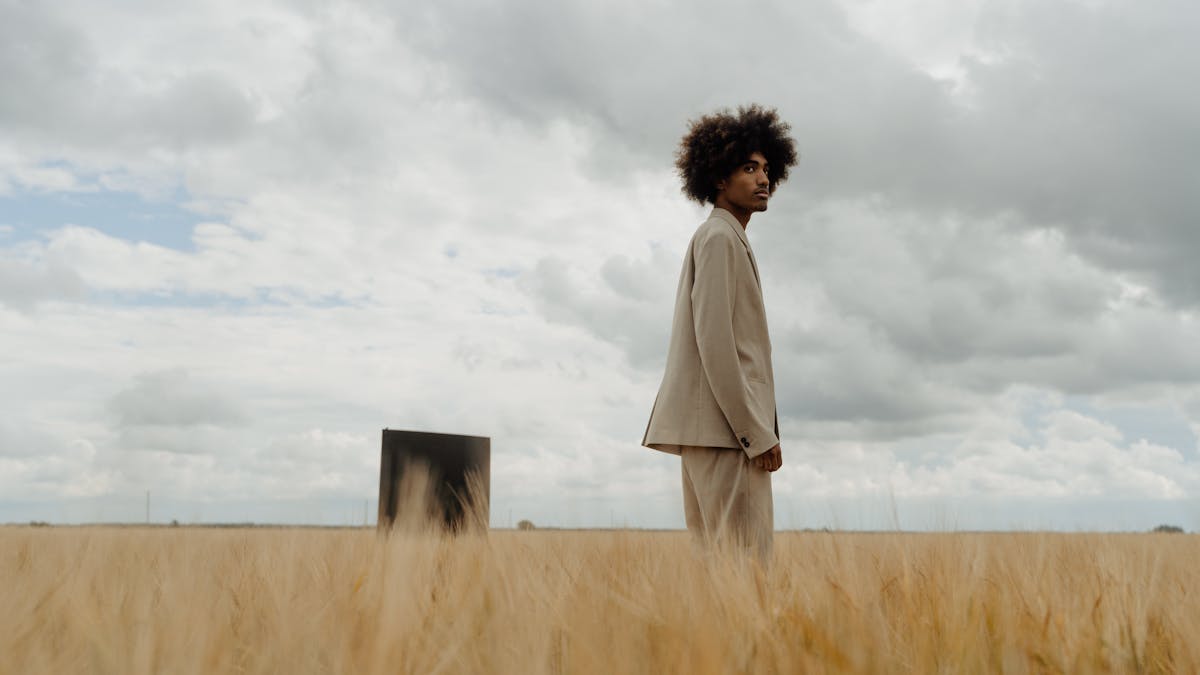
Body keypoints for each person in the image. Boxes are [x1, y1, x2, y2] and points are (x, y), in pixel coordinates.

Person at [643, 104, 798, 564]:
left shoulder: (724, 238)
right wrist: (756, 433)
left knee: (721, 575)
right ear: (717, 177)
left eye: (767, 168)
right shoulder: (719, 238)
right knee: (746, 573)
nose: (763, 178)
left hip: (714, 432)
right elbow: (715, 343)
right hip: (728, 435)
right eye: (749, 168)